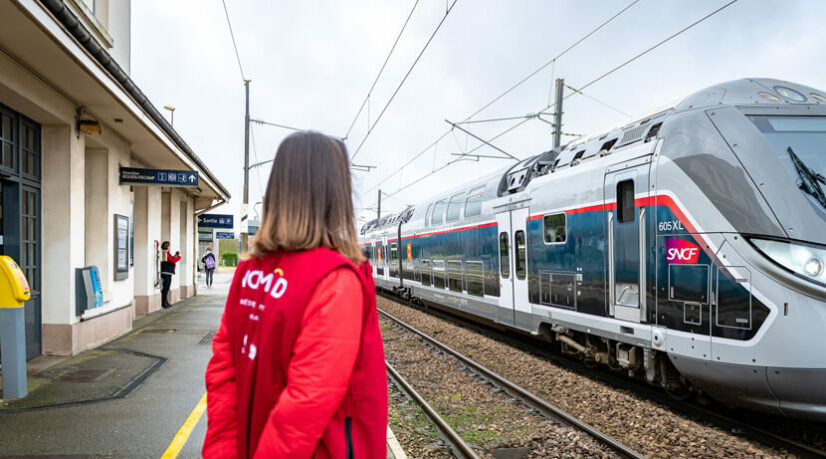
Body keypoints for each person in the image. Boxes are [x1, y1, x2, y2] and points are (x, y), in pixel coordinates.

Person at [203, 132, 387, 458]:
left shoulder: (250, 272)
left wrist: (223, 452)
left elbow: (222, 371)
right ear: (336, 195)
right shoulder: (335, 280)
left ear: (278, 190)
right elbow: (304, 408)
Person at [160, 241, 181, 308]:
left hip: (168, 272)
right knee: (165, 288)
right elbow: (172, 260)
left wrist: (175, 256)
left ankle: (165, 302)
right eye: (169, 246)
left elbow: (171, 258)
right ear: (167, 246)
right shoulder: (165, 252)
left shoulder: (167, 253)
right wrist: (179, 257)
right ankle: (164, 303)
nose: (170, 247)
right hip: (166, 272)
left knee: (167, 288)